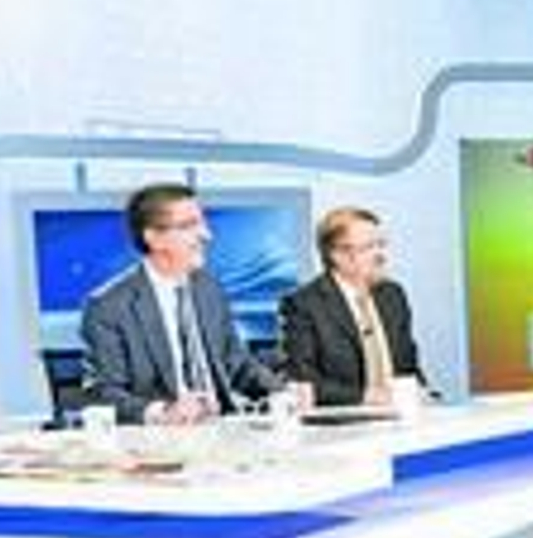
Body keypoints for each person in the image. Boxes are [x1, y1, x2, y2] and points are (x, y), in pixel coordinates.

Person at [81, 182, 282, 425]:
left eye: (203, 223)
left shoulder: (209, 288)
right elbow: (103, 391)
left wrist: (282, 392)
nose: (206, 235)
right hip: (160, 437)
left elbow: (237, 364)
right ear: (154, 238)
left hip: (223, 428)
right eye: (189, 226)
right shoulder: (109, 306)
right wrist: (162, 412)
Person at [278, 206, 423, 407]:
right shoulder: (305, 304)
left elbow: (408, 366)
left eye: (381, 244)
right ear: (338, 255)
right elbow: (304, 383)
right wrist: (366, 397)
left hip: (401, 415)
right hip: (342, 420)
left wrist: (423, 392)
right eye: (370, 247)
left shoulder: (393, 295)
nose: (380, 255)